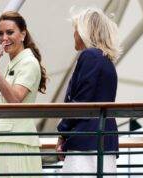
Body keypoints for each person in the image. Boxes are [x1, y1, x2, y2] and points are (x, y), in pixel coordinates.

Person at [56, 7, 122, 177]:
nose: (74, 34)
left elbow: (80, 101)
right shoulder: (107, 61)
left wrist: (62, 133)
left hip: (86, 141)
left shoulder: (90, 56)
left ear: (85, 31)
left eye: (76, 29)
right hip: (104, 139)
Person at [0, 11, 47, 177]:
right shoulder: (15, 62)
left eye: (9, 32)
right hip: (8, 140)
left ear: (23, 34)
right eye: (1, 33)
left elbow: (15, 99)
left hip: (18, 141)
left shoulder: (28, 62)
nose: (4, 38)